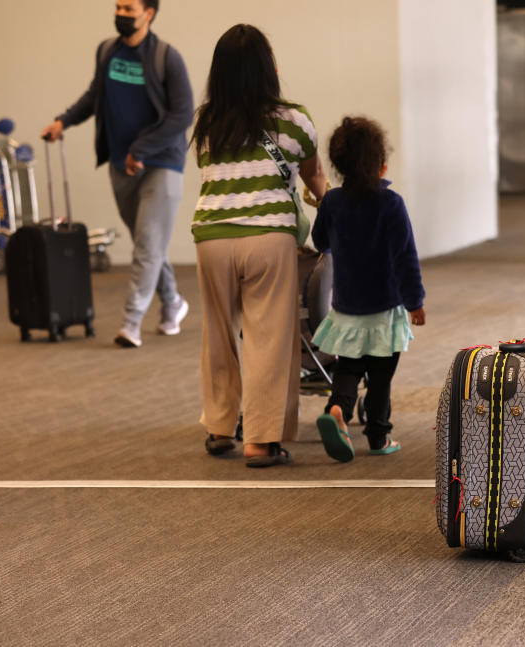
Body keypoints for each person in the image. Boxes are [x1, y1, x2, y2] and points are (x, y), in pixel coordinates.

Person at [191, 24, 329, 467]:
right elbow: (316, 179)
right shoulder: (293, 119)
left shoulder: (206, 121)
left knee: (217, 333)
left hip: (212, 236)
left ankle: (218, 426)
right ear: (269, 69)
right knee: (269, 336)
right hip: (268, 237)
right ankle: (262, 439)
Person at [41, 0, 193, 348]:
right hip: (119, 163)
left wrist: (142, 149)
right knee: (147, 244)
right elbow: (95, 95)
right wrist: (63, 121)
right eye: (118, 7)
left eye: (129, 8)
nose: (121, 13)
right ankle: (172, 303)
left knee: (148, 245)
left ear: (149, 14)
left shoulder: (167, 57)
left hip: (162, 164)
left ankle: (131, 323)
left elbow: (183, 115)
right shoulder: (107, 51)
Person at [310, 116, 426, 462]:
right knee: (380, 377)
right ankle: (378, 437)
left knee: (347, 368)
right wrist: (414, 301)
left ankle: (337, 410)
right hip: (385, 307)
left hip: (347, 306)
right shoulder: (391, 204)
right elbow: (406, 257)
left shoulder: (332, 202)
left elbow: (320, 241)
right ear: (380, 162)